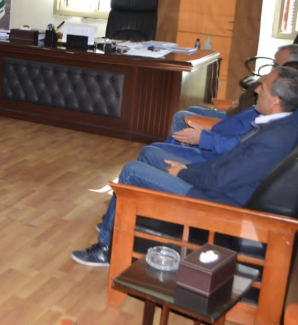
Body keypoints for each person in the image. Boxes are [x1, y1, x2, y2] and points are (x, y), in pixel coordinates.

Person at [72, 66, 298, 266]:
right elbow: (225, 168)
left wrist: (183, 172)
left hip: (219, 201)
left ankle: (106, 249)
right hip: (216, 182)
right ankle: (117, 222)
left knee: (132, 171)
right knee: (150, 155)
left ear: (276, 100)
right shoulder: (280, 124)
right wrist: (187, 169)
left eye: (263, 87)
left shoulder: (274, 139)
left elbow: (219, 181)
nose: (256, 89)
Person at [169, 44, 298, 135]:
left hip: (236, 122)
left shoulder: (280, 92)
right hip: (237, 117)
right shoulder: (274, 87)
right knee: (192, 109)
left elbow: (243, 114)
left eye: (276, 65)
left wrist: (260, 82)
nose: (272, 69)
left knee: (181, 117)